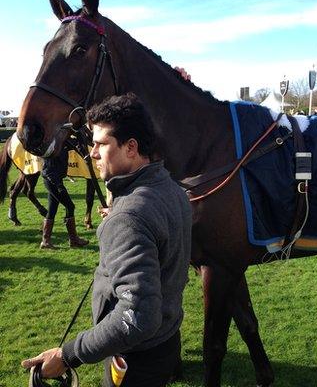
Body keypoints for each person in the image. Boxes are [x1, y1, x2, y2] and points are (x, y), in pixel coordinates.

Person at [22, 92, 192, 387]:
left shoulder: (129, 216)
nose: (93, 153)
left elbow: (138, 316)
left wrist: (68, 354)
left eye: (101, 144)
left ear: (131, 147)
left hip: (135, 359)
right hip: (166, 343)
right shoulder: (171, 189)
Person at [40, 143, 89, 249]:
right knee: (70, 206)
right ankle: (73, 240)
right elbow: (48, 171)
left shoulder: (62, 143)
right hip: (52, 181)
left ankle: (46, 241)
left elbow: (75, 144)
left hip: (55, 180)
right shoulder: (52, 147)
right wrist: (59, 186)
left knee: (52, 209)